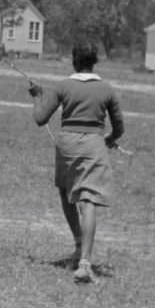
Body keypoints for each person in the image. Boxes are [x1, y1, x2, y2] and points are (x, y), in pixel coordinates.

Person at [28, 41, 125, 284]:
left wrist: (38, 97)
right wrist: (110, 139)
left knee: (66, 193)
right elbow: (119, 127)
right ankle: (84, 261)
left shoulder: (63, 86)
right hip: (93, 144)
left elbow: (40, 118)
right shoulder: (107, 89)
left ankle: (79, 244)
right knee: (87, 200)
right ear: (94, 61)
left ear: (74, 60)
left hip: (66, 145)